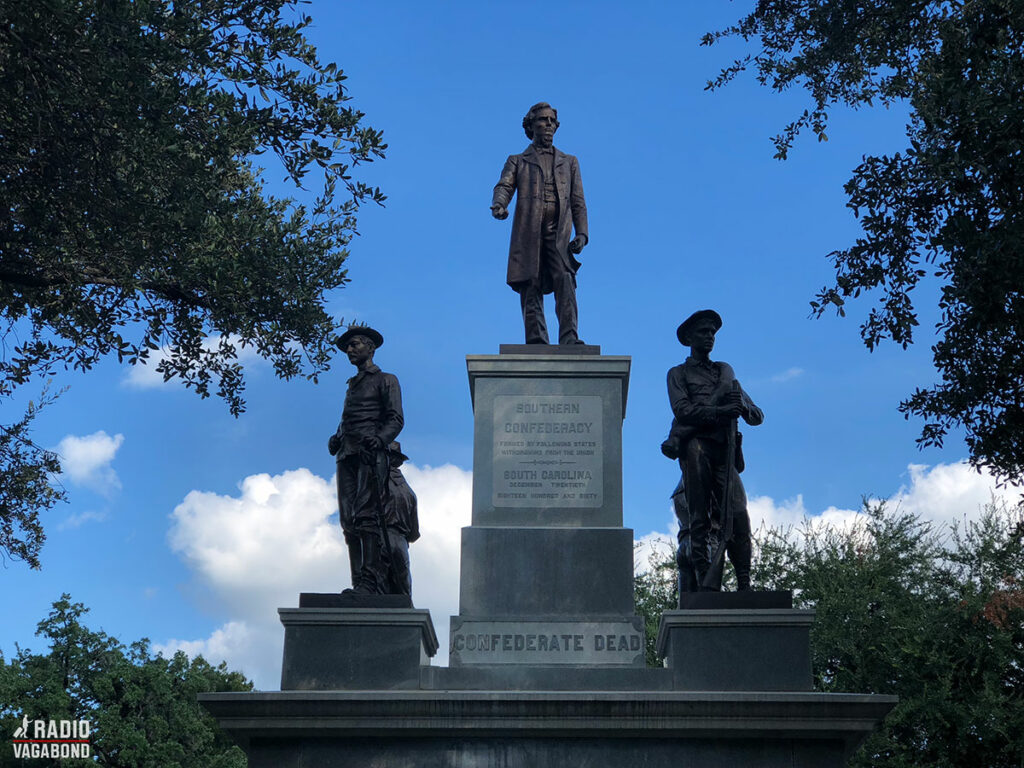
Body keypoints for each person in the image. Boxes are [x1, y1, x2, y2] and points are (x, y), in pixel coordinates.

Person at [666, 310, 763, 591]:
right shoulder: (678, 373)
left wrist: (742, 407)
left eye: (712, 333)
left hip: (724, 451)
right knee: (699, 518)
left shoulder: (725, 373)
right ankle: (705, 579)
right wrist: (720, 410)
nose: (709, 337)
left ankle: (744, 581)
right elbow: (682, 410)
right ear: (689, 338)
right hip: (697, 450)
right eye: (703, 332)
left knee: (738, 515)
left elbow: (757, 415)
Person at [491, 102, 589, 345]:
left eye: (551, 121)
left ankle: (569, 337)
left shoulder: (569, 161)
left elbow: (578, 200)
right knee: (530, 282)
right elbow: (504, 185)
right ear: (530, 125)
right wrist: (499, 204)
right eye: (542, 120)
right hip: (528, 231)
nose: (548, 125)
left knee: (565, 279)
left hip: (559, 233)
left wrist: (582, 233)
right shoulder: (518, 160)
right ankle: (536, 340)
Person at [327, 326, 405, 594]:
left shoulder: (387, 379)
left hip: (371, 454)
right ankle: (358, 581)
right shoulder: (352, 385)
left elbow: (395, 418)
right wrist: (337, 437)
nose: (350, 349)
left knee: (366, 516)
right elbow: (349, 418)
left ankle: (371, 583)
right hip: (346, 454)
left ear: (370, 348)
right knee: (349, 521)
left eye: (355, 344)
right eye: (348, 346)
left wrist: (380, 439)